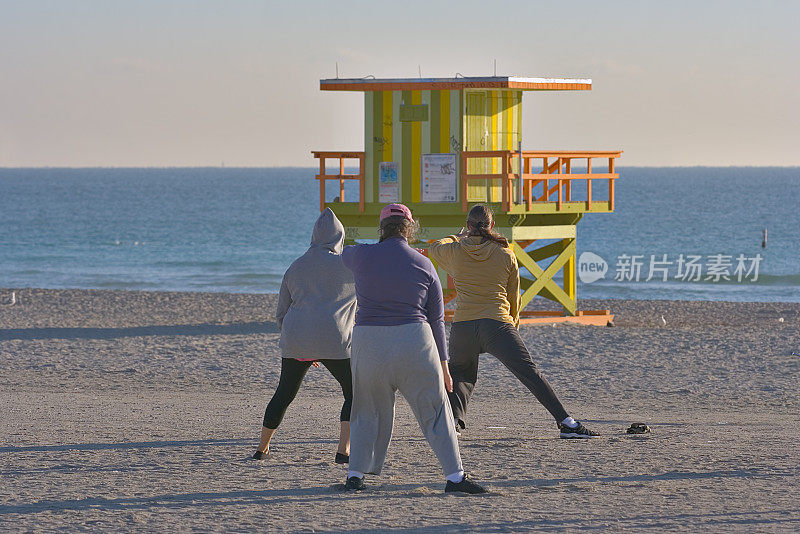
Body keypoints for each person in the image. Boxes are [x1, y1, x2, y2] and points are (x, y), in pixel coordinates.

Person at [340, 203, 486, 494]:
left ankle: (355, 475)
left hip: (370, 343)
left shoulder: (360, 256)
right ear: (410, 229)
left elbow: (339, 249)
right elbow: (436, 319)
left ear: (382, 228)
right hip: (414, 342)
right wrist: (445, 367)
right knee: (435, 410)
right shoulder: (424, 263)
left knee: (365, 410)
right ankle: (455, 477)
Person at [428, 204, 599, 439]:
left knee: (460, 374)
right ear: (492, 226)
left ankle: (454, 424)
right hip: (497, 323)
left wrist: (455, 237)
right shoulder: (505, 253)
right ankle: (566, 423)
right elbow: (513, 296)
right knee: (529, 373)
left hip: (464, 325)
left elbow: (435, 247)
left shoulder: (455, 251)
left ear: (468, 226)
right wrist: (513, 325)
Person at [253, 208, 356, 462]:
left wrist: (300, 345)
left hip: (296, 339)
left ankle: (262, 448)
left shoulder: (296, 266)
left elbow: (281, 312)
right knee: (355, 393)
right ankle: (344, 451)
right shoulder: (349, 267)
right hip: (335, 340)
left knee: (284, 393)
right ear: (339, 238)